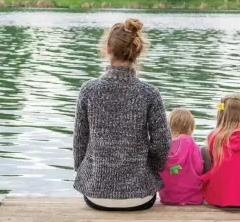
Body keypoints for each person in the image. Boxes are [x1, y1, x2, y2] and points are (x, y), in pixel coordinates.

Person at [73, 18, 171, 211]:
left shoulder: (89, 90)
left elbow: (80, 140)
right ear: (139, 51)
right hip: (141, 197)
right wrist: (151, 169)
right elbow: (163, 143)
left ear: (108, 49)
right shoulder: (150, 93)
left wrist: (87, 174)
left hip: (96, 195)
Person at [159, 108, 204, 205]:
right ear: (191, 126)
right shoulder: (191, 144)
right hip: (193, 197)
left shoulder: (163, 145)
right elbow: (199, 168)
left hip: (167, 197)